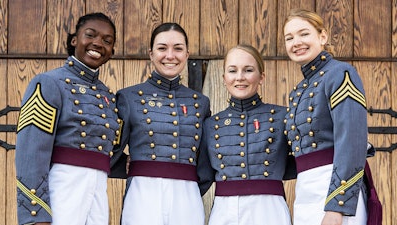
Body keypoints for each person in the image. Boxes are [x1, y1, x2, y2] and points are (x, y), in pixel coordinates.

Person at [15, 12, 120, 225]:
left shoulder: (108, 95)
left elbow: (107, 152)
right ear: (74, 40)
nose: (98, 43)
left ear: (112, 51)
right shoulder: (48, 83)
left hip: (98, 190)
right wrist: (36, 214)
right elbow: (30, 153)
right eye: (90, 35)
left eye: (107, 41)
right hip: (62, 188)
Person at [110, 22, 211, 225]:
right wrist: (129, 166)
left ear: (187, 54)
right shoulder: (129, 97)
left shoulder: (200, 102)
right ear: (151, 54)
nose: (170, 55)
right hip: (142, 195)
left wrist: (189, 186)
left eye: (178, 48)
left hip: (187, 197)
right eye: (162, 48)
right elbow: (110, 149)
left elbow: (205, 159)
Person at [283, 8, 375, 225]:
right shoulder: (298, 91)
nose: (296, 42)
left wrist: (337, 206)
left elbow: (352, 142)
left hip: (333, 191)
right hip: (305, 191)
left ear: (322, 36)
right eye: (289, 37)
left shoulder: (340, 73)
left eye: (304, 34)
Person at [197, 44, 296, 225]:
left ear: (261, 77)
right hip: (224, 212)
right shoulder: (211, 125)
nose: (240, 77)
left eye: (248, 70)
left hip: (270, 211)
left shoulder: (283, 117)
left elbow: (302, 161)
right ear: (224, 78)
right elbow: (202, 176)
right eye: (233, 71)